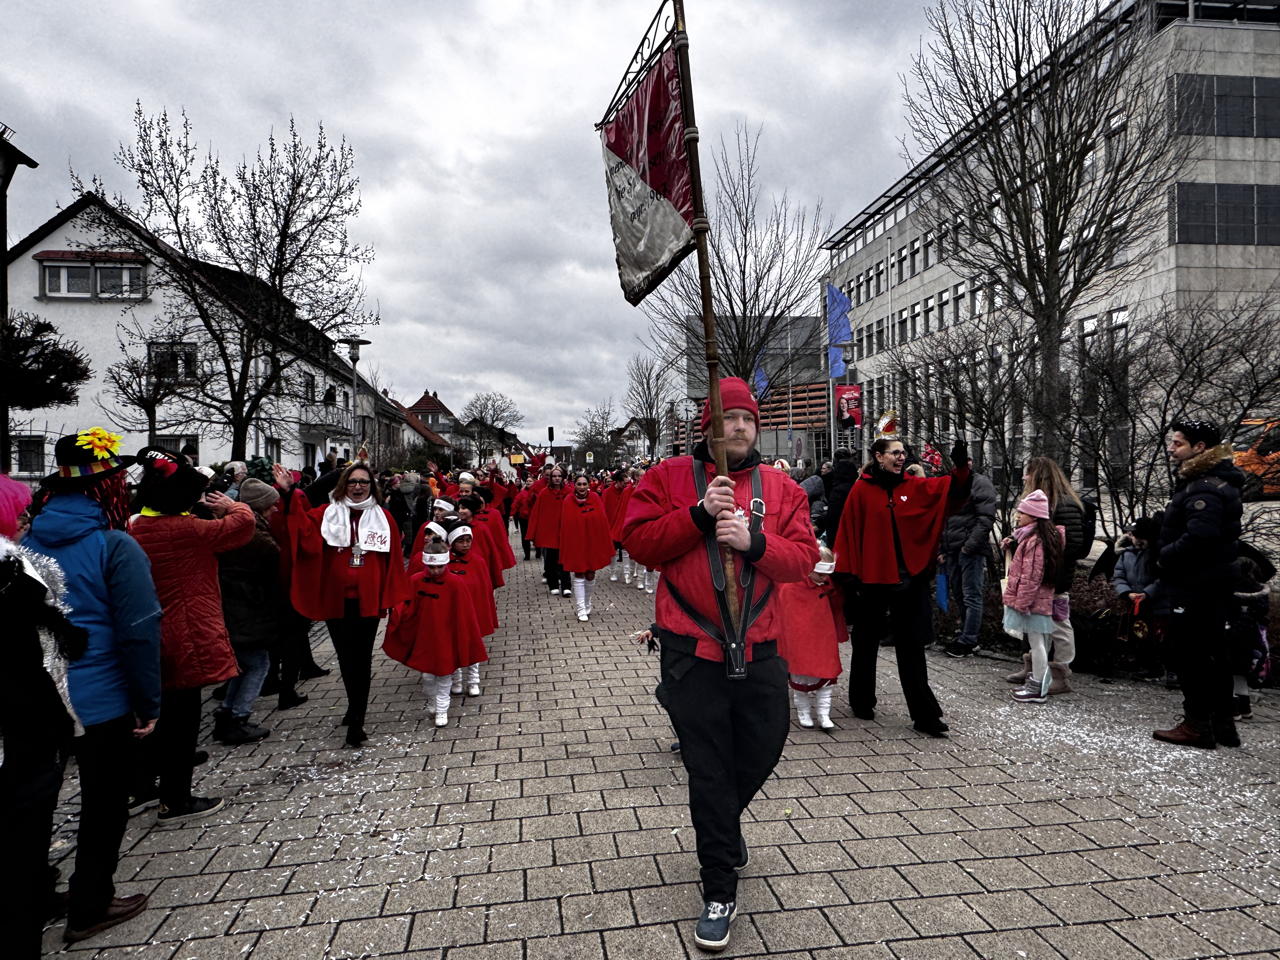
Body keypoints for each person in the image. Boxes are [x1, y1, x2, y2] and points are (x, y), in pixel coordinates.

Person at [622, 377, 817, 952]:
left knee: (763, 747)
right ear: (708, 425)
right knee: (709, 771)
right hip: (691, 654)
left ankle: (723, 833)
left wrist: (755, 541)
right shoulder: (666, 479)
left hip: (761, 651)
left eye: (748, 420)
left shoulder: (782, 489)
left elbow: (804, 560)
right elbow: (639, 541)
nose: (739, 428)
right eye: (728, 418)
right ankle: (719, 888)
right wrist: (699, 516)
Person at [22, 428, 161, 944]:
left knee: (37, 802)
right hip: (101, 694)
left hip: (38, 693)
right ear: (109, 488)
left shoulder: (24, 542)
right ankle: (89, 903)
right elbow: (139, 630)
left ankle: (32, 896)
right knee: (103, 803)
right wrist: (148, 702)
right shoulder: (114, 545)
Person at [129, 447, 255, 821]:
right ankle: (177, 798)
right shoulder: (188, 530)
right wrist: (231, 506)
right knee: (182, 724)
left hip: (149, 638)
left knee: (154, 718)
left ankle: (144, 787)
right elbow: (241, 527)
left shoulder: (134, 527)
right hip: (187, 637)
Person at [832, 436, 968, 737]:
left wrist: (960, 466)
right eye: (895, 453)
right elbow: (848, 531)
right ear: (879, 457)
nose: (901, 457)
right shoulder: (861, 490)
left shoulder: (912, 486)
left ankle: (925, 715)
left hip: (909, 579)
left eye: (903, 452)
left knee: (911, 647)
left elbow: (951, 494)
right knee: (865, 642)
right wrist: (848, 575)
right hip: (872, 579)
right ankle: (862, 700)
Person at [274, 460, 409, 747]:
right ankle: (353, 705)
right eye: (352, 482)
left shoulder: (383, 516)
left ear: (371, 486)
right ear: (343, 485)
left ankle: (357, 719)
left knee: (361, 659)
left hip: (368, 599)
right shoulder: (327, 514)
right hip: (336, 599)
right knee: (346, 659)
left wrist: (391, 595)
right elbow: (301, 530)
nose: (358, 487)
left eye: (363, 482)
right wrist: (288, 493)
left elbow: (393, 559)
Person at [1152, 419, 1244, 749]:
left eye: (1178, 443)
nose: (1171, 448)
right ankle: (1222, 724)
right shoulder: (1214, 481)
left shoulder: (1204, 486)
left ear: (1199, 448)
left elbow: (1200, 537)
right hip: (1211, 580)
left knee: (1189, 652)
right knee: (1213, 652)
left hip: (1197, 582)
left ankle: (1197, 724)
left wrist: (1164, 555)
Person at [1006, 457, 1090, 691]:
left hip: (1055, 577)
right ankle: (1035, 667)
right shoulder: (1041, 503)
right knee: (1034, 622)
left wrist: (1042, 557)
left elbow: (1072, 544)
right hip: (1041, 576)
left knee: (1059, 623)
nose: (1025, 478)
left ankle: (1059, 672)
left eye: (1028, 473)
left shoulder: (1063, 505)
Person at [384, 541, 485, 727]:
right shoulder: (415, 580)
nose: (436, 571)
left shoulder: (455, 583)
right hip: (424, 636)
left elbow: (464, 614)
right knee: (427, 676)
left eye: (439, 566)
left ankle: (442, 709)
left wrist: (461, 637)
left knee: (444, 673)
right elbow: (405, 606)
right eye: (431, 567)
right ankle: (432, 702)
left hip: (445, 636)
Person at [213, 477, 282, 745]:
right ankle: (237, 717)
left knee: (243, 664)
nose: (275, 510)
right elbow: (274, 559)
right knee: (257, 664)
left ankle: (227, 714)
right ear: (260, 507)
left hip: (235, 606)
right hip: (247, 608)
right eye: (271, 505)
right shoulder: (256, 536)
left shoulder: (234, 529)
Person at [1000, 490, 1066, 704]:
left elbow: (1031, 576)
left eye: (1022, 512)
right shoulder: (1033, 538)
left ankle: (1038, 686)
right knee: (1038, 642)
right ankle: (1038, 683)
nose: (1018, 516)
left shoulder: (1035, 541)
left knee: (1037, 642)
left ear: (1034, 516)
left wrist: (1022, 603)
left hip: (1033, 601)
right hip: (1037, 599)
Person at [777, 543, 846, 730]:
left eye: (827, 575)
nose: (824, 579)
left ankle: (824, 714)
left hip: (823, 637)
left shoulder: (827, 586)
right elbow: (785, 614)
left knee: (827, 675)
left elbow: (836, 609)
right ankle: (803, 711)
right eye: (821, 574)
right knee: (801, 676)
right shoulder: (791, 587)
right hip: (800, 640)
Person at [939, 452, 997, 657]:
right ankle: (964, 634)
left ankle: (969, 639)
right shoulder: (950, 484)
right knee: (960, 594)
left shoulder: (980, 483)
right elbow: (943, 517)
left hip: (969, 550)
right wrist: (943, 549)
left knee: (971, 594)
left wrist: (968, 546)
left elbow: (985, 518)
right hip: (953, 549)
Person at [1110, 516, 1169, 680]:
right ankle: (1142, 663)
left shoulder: (1158, 555)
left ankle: (1156, 667)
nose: (1136, 540)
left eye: (1140, 537)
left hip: (1155, 604)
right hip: (1134, 602)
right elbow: (1119, 575)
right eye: (1134, 536)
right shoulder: (1127, 554)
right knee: (1139, 633)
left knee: (1155, 636)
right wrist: (1126, 592)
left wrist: (1148, 593)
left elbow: (1163, 579)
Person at [559, 473, 616, 622]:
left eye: (585, 484)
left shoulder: (595, 499)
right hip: (576, 543)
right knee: (579, 574)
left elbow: (601, 521)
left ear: (589, 485)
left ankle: (587, 601)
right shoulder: (567, 501)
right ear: (574, 485)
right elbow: (566, 525)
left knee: (590, 574)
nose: (582, 487)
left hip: (592, 542)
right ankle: (580, 608)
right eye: (579, 484)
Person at [528, 466, 571, 596]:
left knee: (564, 559)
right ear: (550, 478)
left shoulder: (569, 492)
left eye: (559, 476)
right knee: (550, 559)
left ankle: (566, 585)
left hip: (565, 530)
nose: (557, 478)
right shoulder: (544, 493)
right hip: (549, 531)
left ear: (563, 477)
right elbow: (536, 512)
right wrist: (533, 532)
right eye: (554, 476)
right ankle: (553, 584)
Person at [818, 447, 858, 547]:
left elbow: (833, 516)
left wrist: (821, 521)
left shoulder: (834, 484)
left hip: (838, 534)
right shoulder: (857, 485)